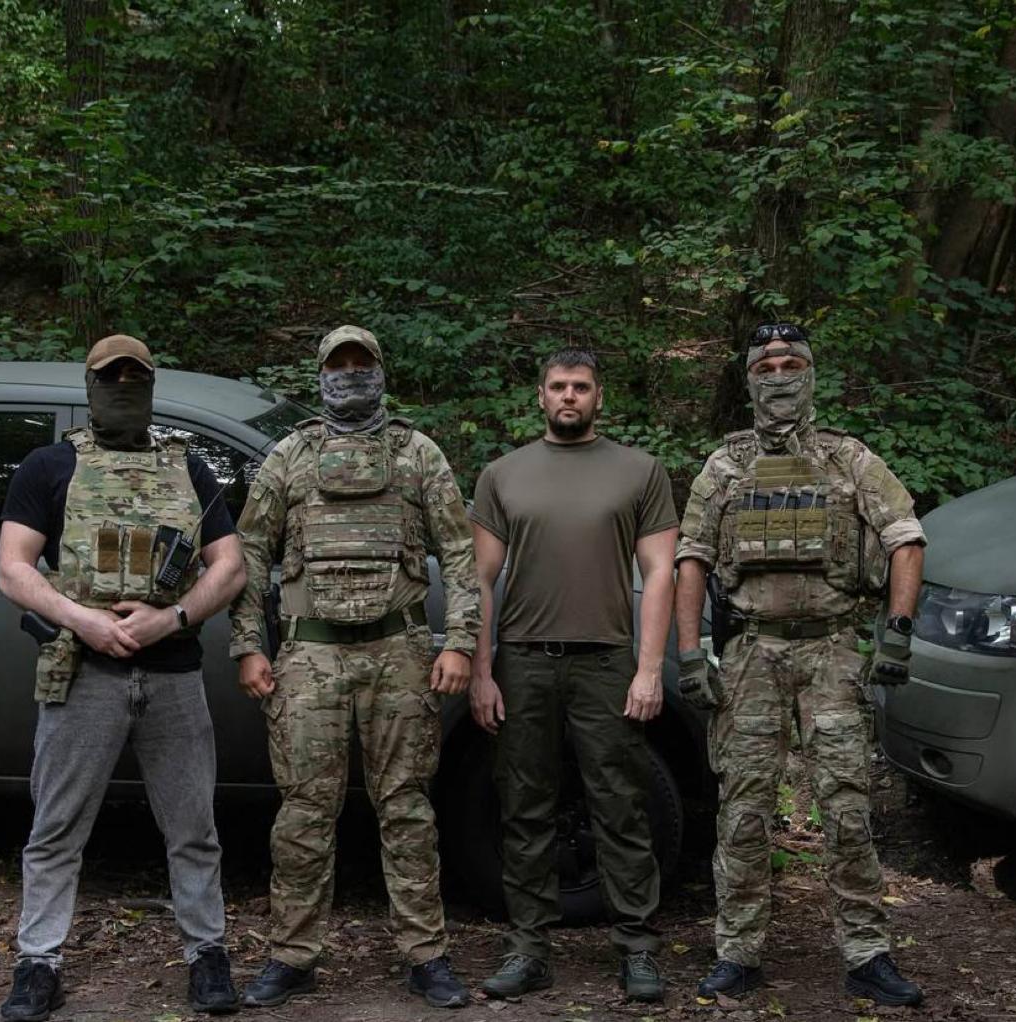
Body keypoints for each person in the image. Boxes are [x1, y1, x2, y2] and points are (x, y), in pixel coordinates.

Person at [674, 323, 926, 1007]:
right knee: (744, 808)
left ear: (810, 374)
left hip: (831, 650)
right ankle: (737, 953)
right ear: (749, 380)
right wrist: (691, 652)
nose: (779, 375)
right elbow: (691, 558)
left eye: (791, 363)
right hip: (751, 653)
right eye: (766, 367)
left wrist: (897, 634)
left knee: (846, 806)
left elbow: (905, 539)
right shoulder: (725, 465)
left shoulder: (849, 459)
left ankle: (867, 953)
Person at [229, 325, 481, 1010]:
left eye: (360, 363)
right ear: (320, 374)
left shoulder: (417, 453)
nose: (349, 374)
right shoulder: (291, 454)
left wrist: (459, 641)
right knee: (304, 812)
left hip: (399, 651)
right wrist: (248, 644)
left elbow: (460, 553)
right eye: (337, 364)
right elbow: (250, 552)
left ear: (380, 371)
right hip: (309, 654)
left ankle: (426, 954)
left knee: (407, 808)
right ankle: (292, 955)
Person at [0, 334, 246, 1020]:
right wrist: (83, 620)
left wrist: (173, 618)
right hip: (84, 674)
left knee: (193, 830)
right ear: (91, 386)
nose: (124, 388)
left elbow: (231, 566)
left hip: (173, 674)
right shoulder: (49, 466)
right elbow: (13, 568)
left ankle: (208, 956)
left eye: (136, 378)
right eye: (112, 378)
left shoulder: (188, 468)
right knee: (56, 830)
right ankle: (37, 964)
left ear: (152, 387)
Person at [469, 348, 678, 1003]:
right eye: (558, 386)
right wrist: (482, 671)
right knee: (524, 806)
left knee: (620, 804)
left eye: (581, 387)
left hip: (606, 662)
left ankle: (637, 948)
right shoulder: (503, 475)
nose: (569, 396)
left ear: (598, 396)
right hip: (524, 660)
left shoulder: (639, 471)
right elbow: (480, 579)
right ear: (540, 396)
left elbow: (661, 572)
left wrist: (649, 669)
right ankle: (529, 948)